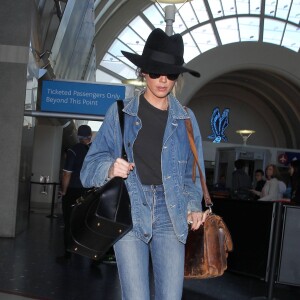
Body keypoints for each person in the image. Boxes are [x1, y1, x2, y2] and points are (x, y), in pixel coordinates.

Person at [80, 28, 209, 300]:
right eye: (154, 72)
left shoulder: (186, 118)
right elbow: (88, 168)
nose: (163, 80)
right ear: (143, 73)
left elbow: (192, 175)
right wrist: (109, 167)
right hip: (129, 209)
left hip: (170, 212)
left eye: (170, 74)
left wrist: (192, 206)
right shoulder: (120, 114)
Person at [57, 124, 92, 262]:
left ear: (78, 136)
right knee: (88, 223)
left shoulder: (73, 150)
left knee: (69, 223)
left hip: (73, 191)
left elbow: (67, 174)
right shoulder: (97, 150)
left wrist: (64, 191)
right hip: (90, 192)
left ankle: (68, 254)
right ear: (90, 136)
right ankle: (92, 258)